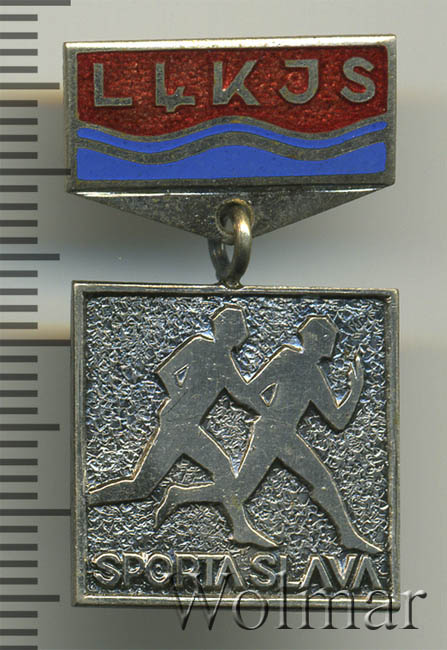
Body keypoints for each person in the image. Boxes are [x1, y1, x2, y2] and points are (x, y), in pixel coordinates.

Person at [156, 316, 380, 554]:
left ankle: (180, 494)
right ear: (315, 340)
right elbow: (253, 389)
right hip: (270, 433)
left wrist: (355, 389)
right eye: (328, 338)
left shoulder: (315, 375)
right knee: (250, 490)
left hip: (284, 435)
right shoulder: (287, 357)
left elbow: (338, 420)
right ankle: (348, 535)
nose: (331, 344)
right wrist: (269, 413)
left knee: (248, 490)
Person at [87, 306, 273, 547]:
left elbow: (242, 394)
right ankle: (89, 499)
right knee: (141, 487)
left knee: (218, 471)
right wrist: (181, 397)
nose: (244, 334)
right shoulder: (200, 346)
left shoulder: (225, 361)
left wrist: (268, 406)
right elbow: (166, 372)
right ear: (227, 329)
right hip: (178, 425)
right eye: (240, 328)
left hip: (187, 426)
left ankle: (237, 527)